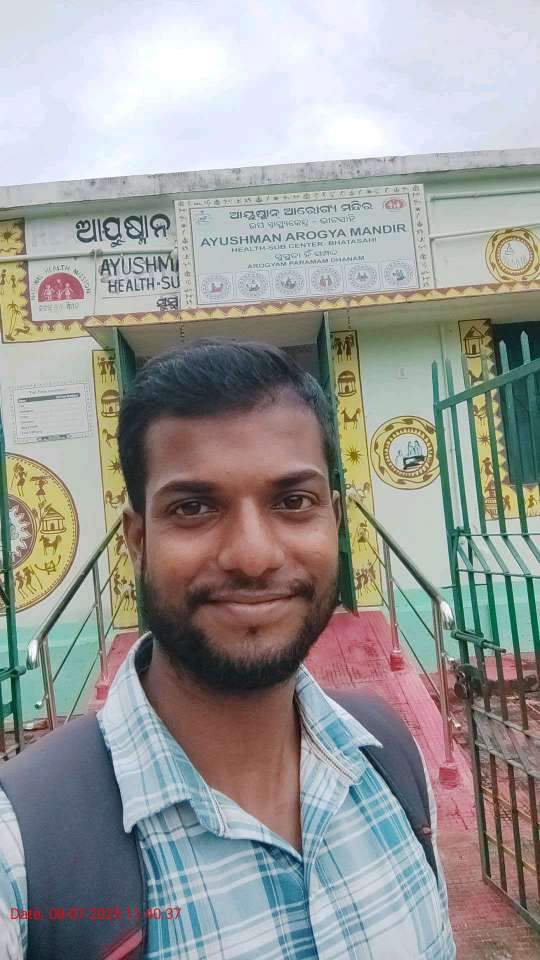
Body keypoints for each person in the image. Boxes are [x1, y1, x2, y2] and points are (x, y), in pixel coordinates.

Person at [0, 340, 455, 959]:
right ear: (137, 538)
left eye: (293, 502)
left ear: (335, 520)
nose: (254, 556)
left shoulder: (389, 759)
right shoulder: (23, 854)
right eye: (194, 507)